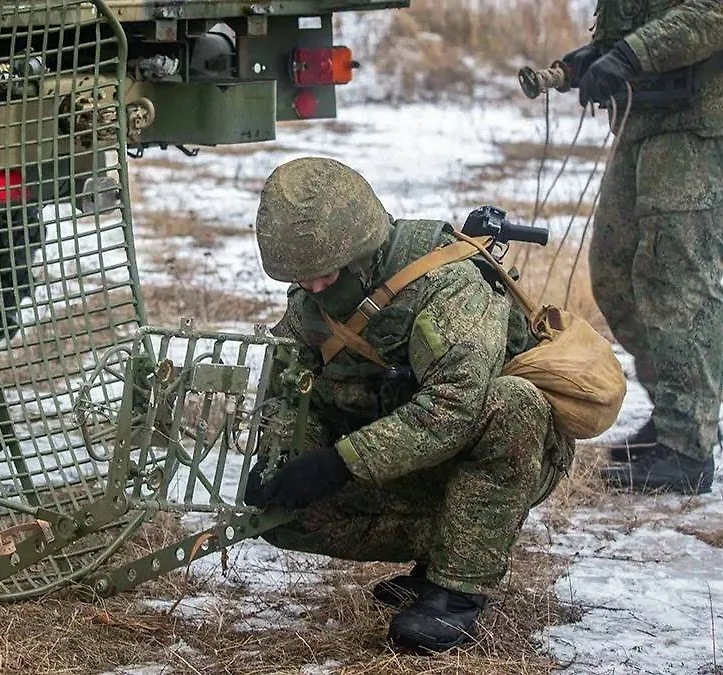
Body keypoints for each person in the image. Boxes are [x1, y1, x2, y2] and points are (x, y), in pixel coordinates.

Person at [243, 157, 575, 653]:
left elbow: (455, 406)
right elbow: (292, 392)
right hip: (407, 463)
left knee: (512, 405)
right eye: (300, 276)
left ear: (358, 250)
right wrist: (286, 457)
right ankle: (443, 548)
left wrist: (340, 463)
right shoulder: (311, 302)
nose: (312, 288)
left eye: (324, 274)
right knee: (284, 515)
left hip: (511, 456)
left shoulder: (448, 286)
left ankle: (459, 587)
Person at [560, 0, 723, 494]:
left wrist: (631, 55)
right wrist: (601, 53)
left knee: (677, 279)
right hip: (646, 116)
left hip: (704, 119)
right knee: (613, 272)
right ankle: (680, 411)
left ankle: (687, 448)